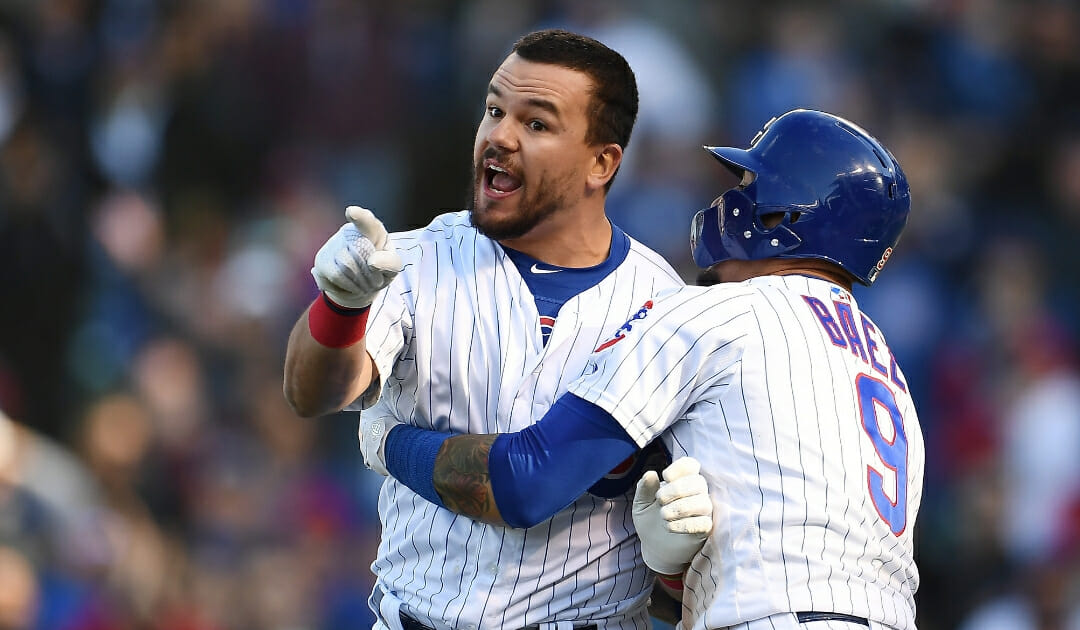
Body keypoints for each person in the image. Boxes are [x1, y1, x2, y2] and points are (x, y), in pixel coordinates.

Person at [372, 108, 925, 630]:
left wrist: (389, 443)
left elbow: (525, 482)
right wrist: (672, 570)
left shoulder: (722, 313)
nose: (729, 201)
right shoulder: (886, 369)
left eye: (747, 189)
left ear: (783, 216)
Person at [282, 29, 692, 630]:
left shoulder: (665, 304)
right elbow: (310, 392)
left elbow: (681, 575)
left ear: (602, 162)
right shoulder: (417, 259)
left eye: (537, 124)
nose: (500, 135)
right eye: (495, 111)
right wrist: (340, 306)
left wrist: (675, 566)